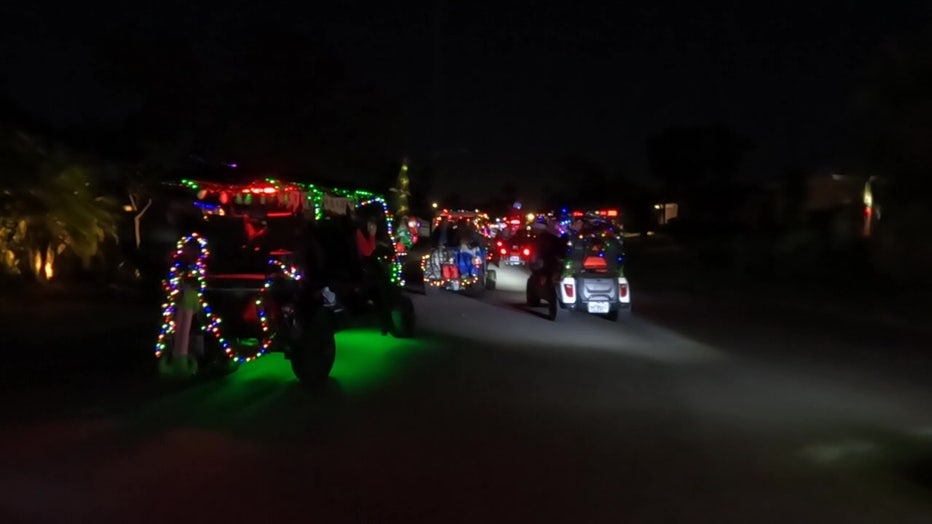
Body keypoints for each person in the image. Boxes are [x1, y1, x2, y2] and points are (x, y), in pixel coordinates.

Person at [355, 217, 395, 335]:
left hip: (365, 269)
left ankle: (386, 323)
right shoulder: (357, 232)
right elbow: (368, 251)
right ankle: (386, 324)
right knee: (380, 295)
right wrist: (372, 235)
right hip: (365, 270)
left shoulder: (357, 232)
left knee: (379, 296)